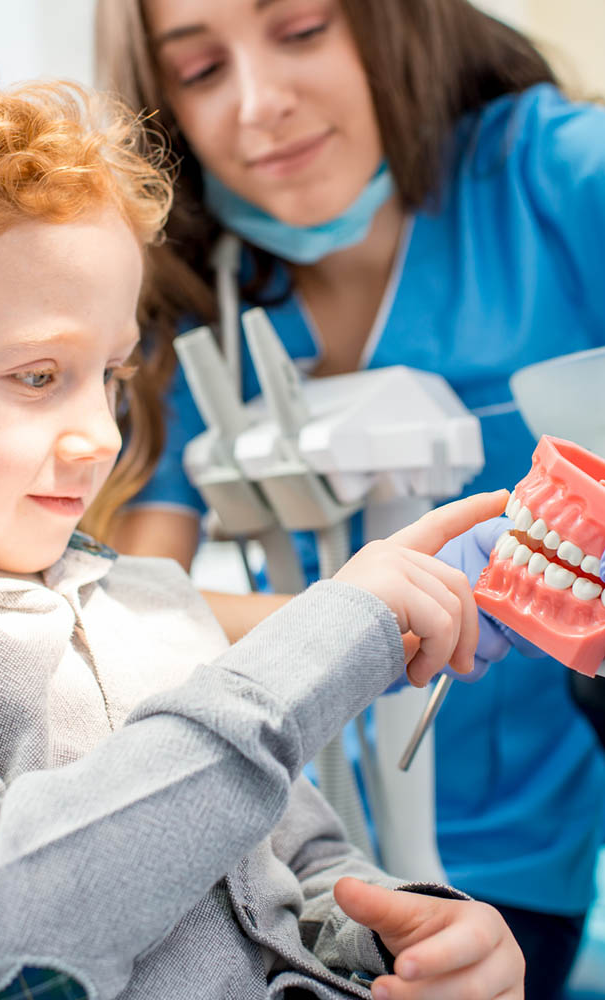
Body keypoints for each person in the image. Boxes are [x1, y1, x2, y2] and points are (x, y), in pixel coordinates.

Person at [0, 75, 523, 1000]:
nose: (102, 432)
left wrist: (401, 935)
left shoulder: (156, 610)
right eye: (36, 376)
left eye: (108, 375)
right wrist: (325, 637)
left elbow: (294, 869)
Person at [94, 2, 605, 997]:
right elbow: (121, 611)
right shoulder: (189, 303)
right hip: (282, 853)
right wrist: (366, 615)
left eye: (298, 30)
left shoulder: (558, 179)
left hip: (509, 860)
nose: (259, 105)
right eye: (199, 72)